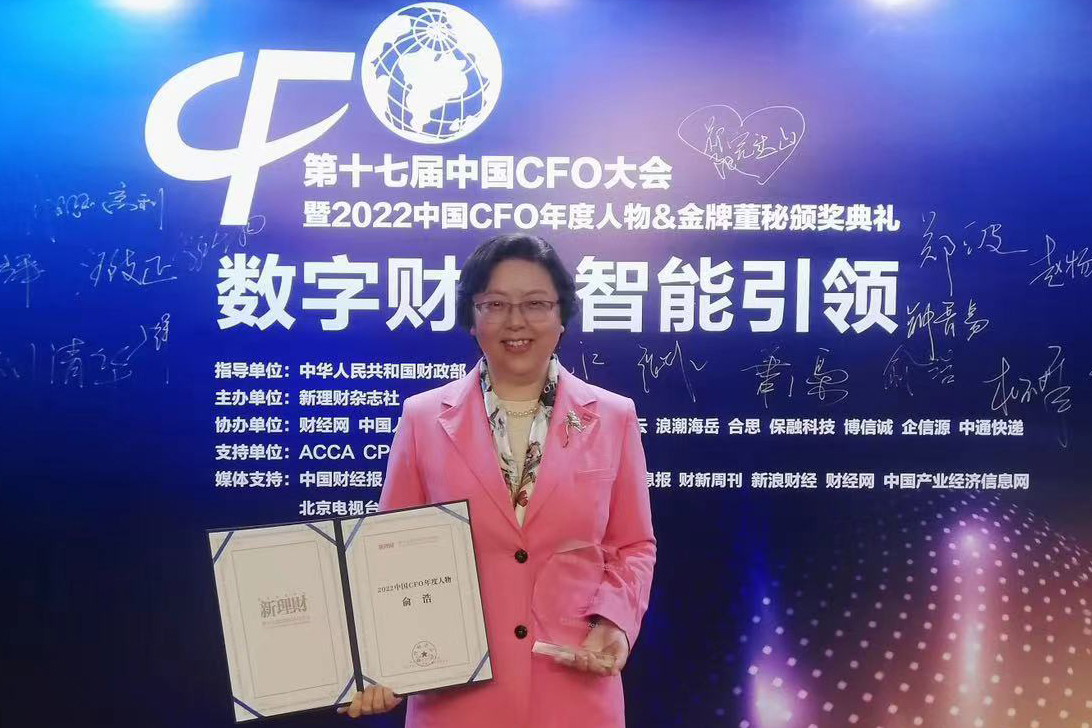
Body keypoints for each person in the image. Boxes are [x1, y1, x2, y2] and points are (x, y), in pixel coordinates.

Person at [339, 233, 656, 728]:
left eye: (536, 304)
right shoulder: (423, 418)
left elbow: (633, 546)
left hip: (574, 686)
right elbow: (391, 555)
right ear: (472, 317)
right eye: (495, 304)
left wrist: (614, 621)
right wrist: (384, 664)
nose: (516, 321)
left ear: (561, 315)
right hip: (455, 695)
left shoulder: (614, 417)